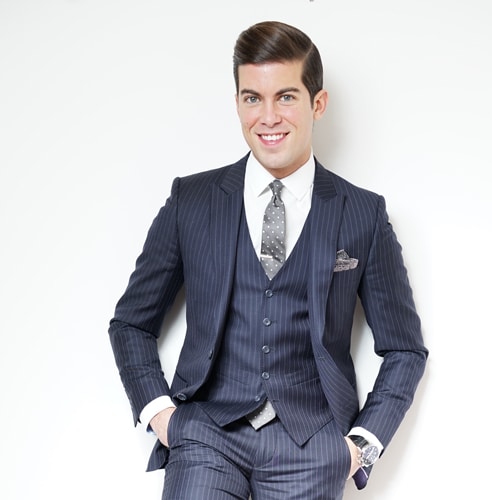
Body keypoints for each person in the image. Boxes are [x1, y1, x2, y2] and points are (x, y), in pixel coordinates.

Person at [109, 20, 428, 500]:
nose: (268, 117)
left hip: (313, 445)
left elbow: (405, 349)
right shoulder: (191, 201)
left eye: (286, 97)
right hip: (206, 435)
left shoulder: (362, 213)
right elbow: (131, 322)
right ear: (238, 103)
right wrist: (162, 416)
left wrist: (358, 447)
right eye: (252, 98)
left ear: (317, 103)